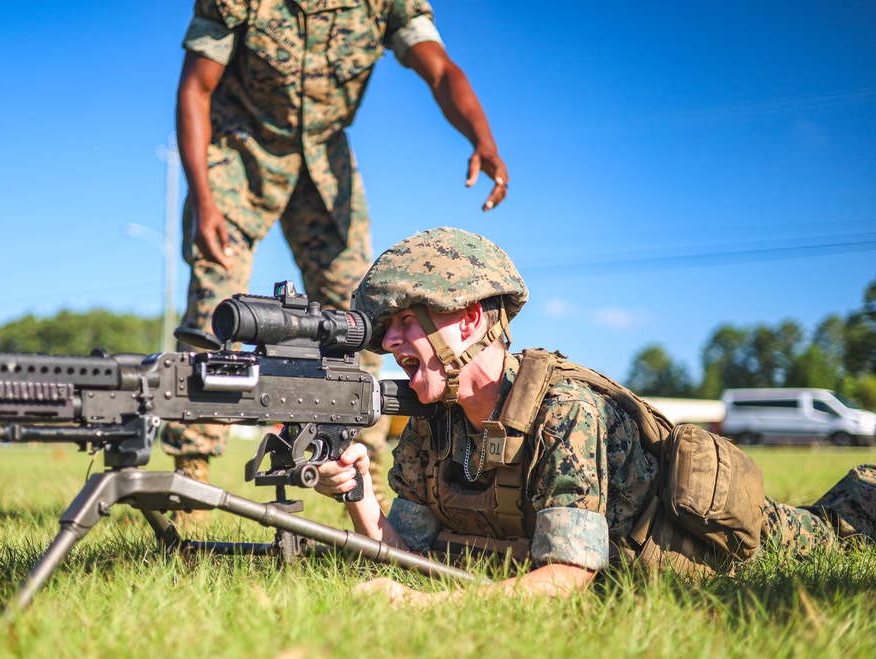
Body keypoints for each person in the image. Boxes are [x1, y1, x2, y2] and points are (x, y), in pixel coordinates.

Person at [313, 227, 876, 602]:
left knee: (846, 531)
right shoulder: (433, 418)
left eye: (406, 320)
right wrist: (360, 495)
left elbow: (568, 577)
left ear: (469, 318)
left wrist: (427, 610)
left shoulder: (565, 411)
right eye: (387, 328)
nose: (389, 342)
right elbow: (410, 558)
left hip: (747, 548)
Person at [163, 1, 509, 517]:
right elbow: (196, 87)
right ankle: (191, 471)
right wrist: (204, 199)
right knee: (217, 306)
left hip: (325, 163)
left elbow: (440, 69)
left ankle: (365, 467)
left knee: (364, 315)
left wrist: (482, 137)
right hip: (240, 152)